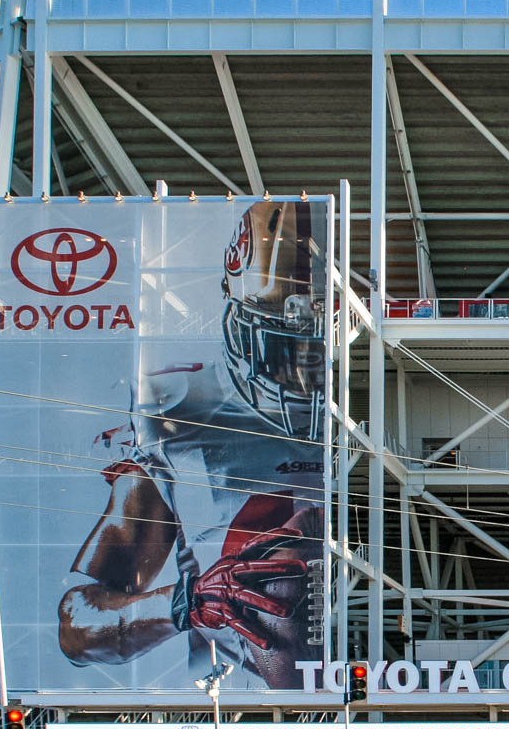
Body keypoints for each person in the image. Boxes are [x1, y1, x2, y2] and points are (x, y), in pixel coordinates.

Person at [56, 200, 327, 690]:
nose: (303, 367)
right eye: (283, 344)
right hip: (232, 696)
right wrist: (186, 600)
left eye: (318, 349)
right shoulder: (178, 408)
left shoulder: (384, 406)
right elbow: (77, 623)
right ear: (236, 315)